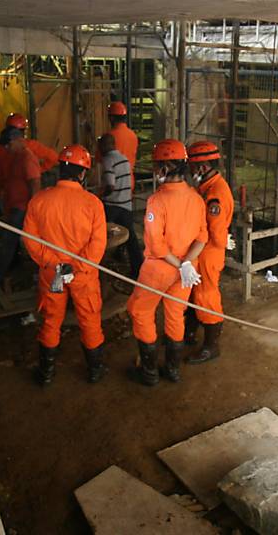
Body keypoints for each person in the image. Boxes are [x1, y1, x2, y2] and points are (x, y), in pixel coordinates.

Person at [23, 145, 108, 385]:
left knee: (51, 319)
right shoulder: (92, 204)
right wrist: (77, 267)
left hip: (53, 275)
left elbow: (30, 240)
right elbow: (97, 244)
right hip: (83, 276)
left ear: (61, 169)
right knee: (89, 319)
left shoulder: (39, 200)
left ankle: (46, 373)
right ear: (83, 173)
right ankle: (95, 371)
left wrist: (55, 263)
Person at [127, 139, 208, 386]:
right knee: (175, 314)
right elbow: (202, 237)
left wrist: (178, 263)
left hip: (160, 268)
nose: (154, 170)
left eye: (156, 166)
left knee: (140, 310)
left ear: (165, 168)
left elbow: (157, 245)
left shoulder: (157, 201)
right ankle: (172, 370)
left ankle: (150, 372)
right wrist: (185, 263)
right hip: (185, 271)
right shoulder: (196, 198)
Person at [184, 141, 235, 364]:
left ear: (203, 167)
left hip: (208, 253)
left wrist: (224, 242)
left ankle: (211, 346)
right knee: (196, 294)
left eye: (193, 168)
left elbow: (215, 231)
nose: (190, 173)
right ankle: (189, 333)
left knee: (206, 296)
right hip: (203, 251)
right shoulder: (207, 187)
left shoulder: (215, 194)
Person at [0, 129, 41, 289]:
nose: (7, 148)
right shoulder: (16, 157)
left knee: (10, 243)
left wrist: (33, 209)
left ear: (17, 140)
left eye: (8, 144)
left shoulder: (27, 158)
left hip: (23, 208)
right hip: (16, 207)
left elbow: (35, 183)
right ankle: (37, 274)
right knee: (24, 243)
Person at [97, 133, 143, 278]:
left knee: (98, 237)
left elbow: (110, 185)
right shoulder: (124, 159)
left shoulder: (108, 160)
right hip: (126, 204)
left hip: (112, 205)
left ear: (105, 145)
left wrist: (99, 197)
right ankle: (138, 270)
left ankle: (96, 270)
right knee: (131, 239)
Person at [106, 101, 139, 184]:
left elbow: (99, 163)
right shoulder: (133, 135)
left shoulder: (108, 137)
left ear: (111, 118)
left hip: (113, 183)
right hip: (129, 181)